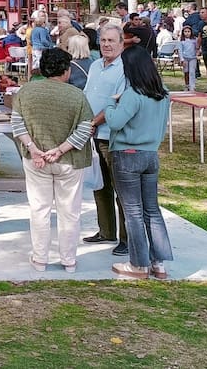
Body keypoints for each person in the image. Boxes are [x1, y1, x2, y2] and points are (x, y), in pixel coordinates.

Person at [11, 48, 94, 273]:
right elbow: (86, 127)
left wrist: (33, 147)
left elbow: (16, 123)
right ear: (66, 71)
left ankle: (39, 259)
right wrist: (60, 149)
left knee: (39, 209)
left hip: (36, 159)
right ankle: (68, 260)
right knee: (70, 212)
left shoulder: (26, 91)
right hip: (69, 160)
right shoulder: (77, 95)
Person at [103, 45, 173, 280]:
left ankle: (138, 264)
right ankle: (159, 263)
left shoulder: (132, 94)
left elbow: (114, 122)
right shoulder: (163, 92)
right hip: (151, 154)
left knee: (132, 212)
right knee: (151, 210)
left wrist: (111, 103)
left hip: (128, 155)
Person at [82, 25, 129, 256]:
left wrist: (94, 122)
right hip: (93, 136)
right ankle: (106, 230)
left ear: (122, 43)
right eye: (103, 40)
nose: (106, 45)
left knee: (121, 188)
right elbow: (87, 95)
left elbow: (117, 102)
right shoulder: (95, 65)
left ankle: (126, 238)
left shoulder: (125, 69)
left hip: (112, 135)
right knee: (100, 185)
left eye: (111, 40)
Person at [179, 26, 199, 92]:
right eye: (185, 32)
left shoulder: (194, 40)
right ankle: (187, 85)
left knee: (192, 72)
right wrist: (182, 59)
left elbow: (197, 47)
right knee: (186, 72)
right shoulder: (182, 41)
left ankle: (192, 86)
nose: (187, 33)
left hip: (193, 58)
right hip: (185, 58)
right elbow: (180, 50)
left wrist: (197, 53)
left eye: (188, 32)